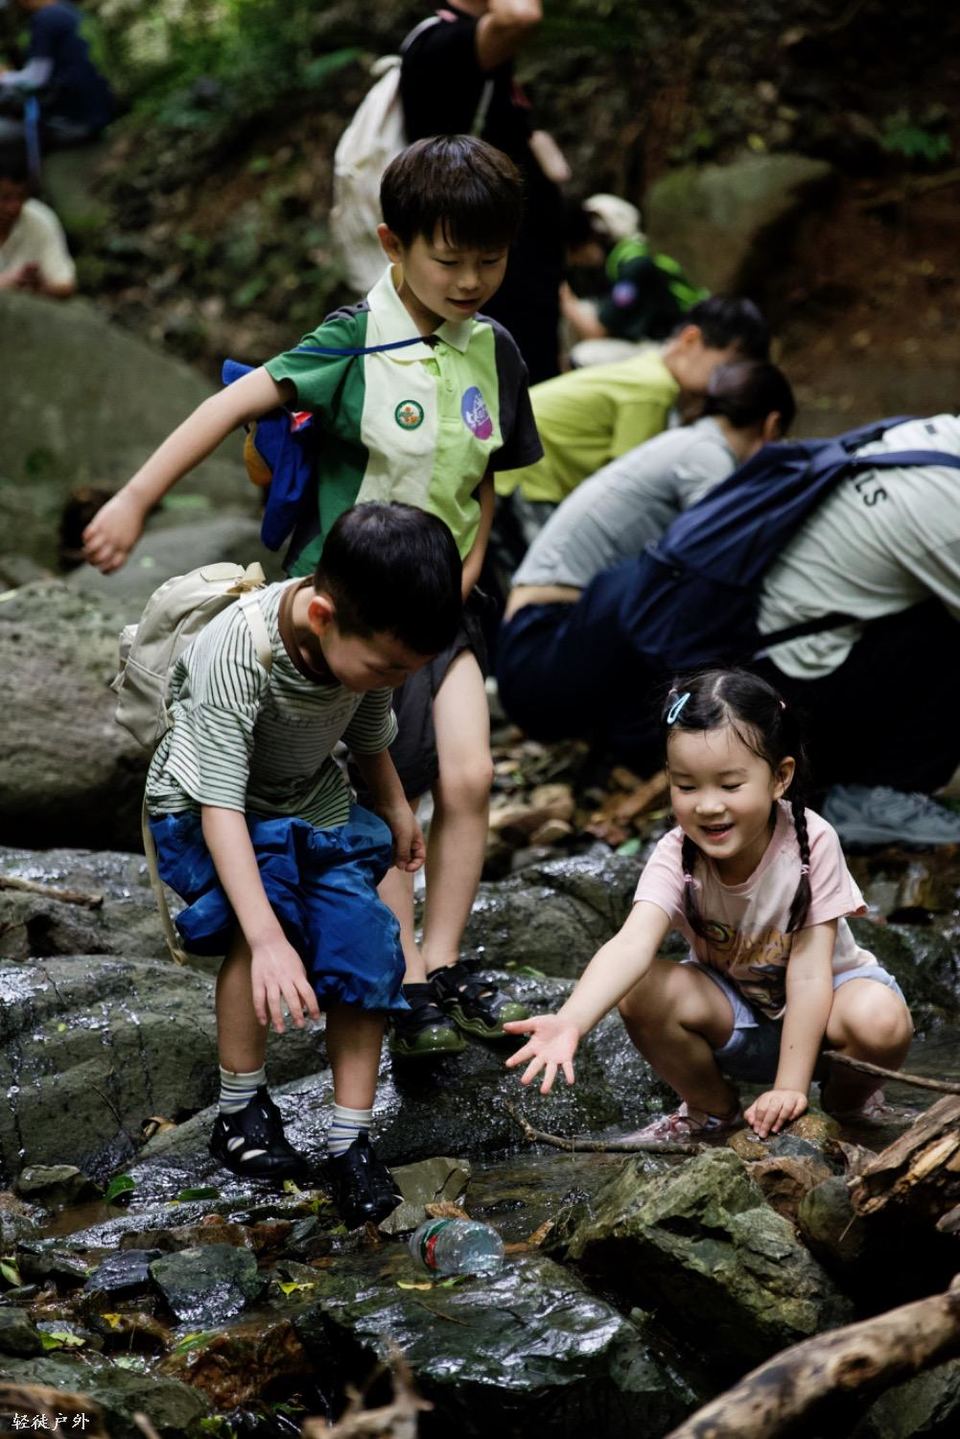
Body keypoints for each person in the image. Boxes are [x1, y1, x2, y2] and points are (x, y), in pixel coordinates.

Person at [83, 134, 542, 1061]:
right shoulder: (352, 341)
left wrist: (468, 569)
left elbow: (486, 475)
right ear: (392, 243)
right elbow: (229, 407)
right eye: (450, 260)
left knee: (468, 776)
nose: (471, 281)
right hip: (356, 619)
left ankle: (442, 960)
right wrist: (134, 499)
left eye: (490, 261)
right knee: (385, 780)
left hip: (446, 603)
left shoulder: (495, 349)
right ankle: (401, 975)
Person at [145, 503, 462, 1225]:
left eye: (409, 669)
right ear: (321, 615)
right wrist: (266, 940)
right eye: (389, 666)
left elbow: (370, 729)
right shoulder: (240, 652)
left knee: (367, 939)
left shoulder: (370, 648)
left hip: (307, 801)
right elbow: (221, 806)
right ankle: (240, 1110)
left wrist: (395, 806)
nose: (394, 677)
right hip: (207, 808)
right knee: (266, 920)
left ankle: (350, 1141)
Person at [504, 668, 914, 1140]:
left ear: (779, 777)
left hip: (827, 1021)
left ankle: (848, 1107)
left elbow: (808, 973)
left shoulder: (811, 844)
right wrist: (571, 1020)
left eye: (730, 785)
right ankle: (711, 1110)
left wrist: (789, 1089)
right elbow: (631, 944)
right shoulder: (676, 855)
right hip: (739, 1019)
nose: (707, 806)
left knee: (879, 1017)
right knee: (642, 988)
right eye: (687, 786)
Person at [496, 361, 795, 749]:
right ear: (772, 425)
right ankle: (654, 745)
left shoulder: (685, 442)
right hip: (540, 654)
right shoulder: (707, 458)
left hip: (533, 651)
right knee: (690, 588)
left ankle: (634, 741)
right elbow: (720, 565)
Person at [752, 412, 960, 832]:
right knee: (948, 632)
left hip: (761, 643)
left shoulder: (931, 434)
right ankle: (882, 794)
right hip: (792, 686)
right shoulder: (949, 510)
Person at [400, 0, 567, 385]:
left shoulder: (478, 51)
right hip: (487, 284)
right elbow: (521, 16)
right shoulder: (441, 44)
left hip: (517, 279)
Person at [495, 296, 770, 521]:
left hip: (514, 462)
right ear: (690, 339)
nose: (729, 380)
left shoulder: (648, 370)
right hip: (528, 478)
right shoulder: (656, 389)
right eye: (728, 366)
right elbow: (624, 488)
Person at [561, 193, 708, 368]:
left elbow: (596, 332)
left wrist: (563, 294)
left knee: (584, 355)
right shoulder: (625, 258)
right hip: (657, 342)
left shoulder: (633, 265)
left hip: (670, 347)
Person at [0, 0, 114, 147]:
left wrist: (4, 76)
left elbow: (35, 80)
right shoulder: (67, 9)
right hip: (99, 112)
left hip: (76, 123)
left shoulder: (45, 19)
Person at [0, 142, 74, 294]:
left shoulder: (40, 218)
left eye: (21, 197)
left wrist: (38, 285)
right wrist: (7, 282)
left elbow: (65, 284)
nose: (13, 207)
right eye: (5, 198)